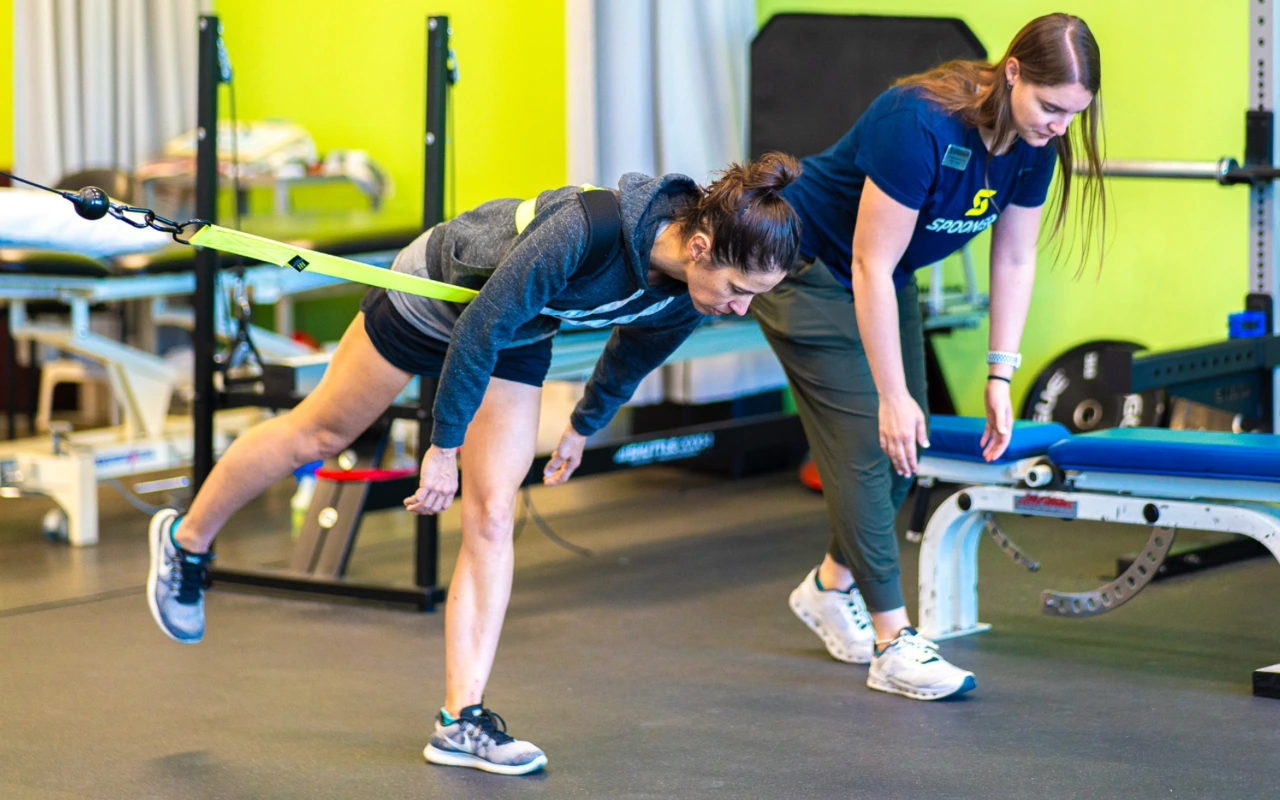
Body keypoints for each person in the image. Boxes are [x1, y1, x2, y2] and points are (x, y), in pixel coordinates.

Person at [145, 154, 803, 774]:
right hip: (434, 293)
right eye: (740, 289)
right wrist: (442, 447)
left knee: (494, 509)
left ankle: (460, 720)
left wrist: (583, 425)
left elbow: (634, 353)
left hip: (521, 328)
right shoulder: (589, 226)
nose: (740, 309)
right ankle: (186, 543)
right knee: (319, 434)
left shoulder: (688, 294)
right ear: (698, 248)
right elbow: (477, 326)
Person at [752, 13, 1105, 700]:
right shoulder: (917, 123)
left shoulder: (1036, 144)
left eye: (1075, 114)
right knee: (867, 446)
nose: (1061, 126)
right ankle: (893, 645)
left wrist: (999, 376)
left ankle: (830, 588)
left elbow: (1015, 255)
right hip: (805, 264)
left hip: (884, 278)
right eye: (1052, 106)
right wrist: (890, 393)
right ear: (1012, 73)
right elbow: (867, 261)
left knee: (905, 455)